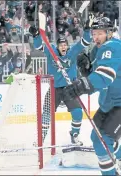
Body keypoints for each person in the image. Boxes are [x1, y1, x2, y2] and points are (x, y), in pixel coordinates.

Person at [62, 17, 121, 175]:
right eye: (94, 33)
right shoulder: (99, 48)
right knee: (97, 138)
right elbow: (99, 77)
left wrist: (82, 85)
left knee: (104, 141)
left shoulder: (113, 47)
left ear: (109, 33)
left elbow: (104, 77)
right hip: (112, 101)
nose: (96, 37)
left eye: (100, 33)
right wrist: (87, 72)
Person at [29, 15, 92, 145]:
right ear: (57, 46)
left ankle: (74, 136)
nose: (63, 47)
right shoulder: (50, 51)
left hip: (70, 89)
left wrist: (86, 29)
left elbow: (85, 42)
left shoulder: (72, 51)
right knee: (46, 113)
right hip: (55, 89)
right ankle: (41, 138)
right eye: (61, 45)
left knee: (78, 113)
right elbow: (39, 46)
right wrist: (36, 36)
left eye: (65, 45)